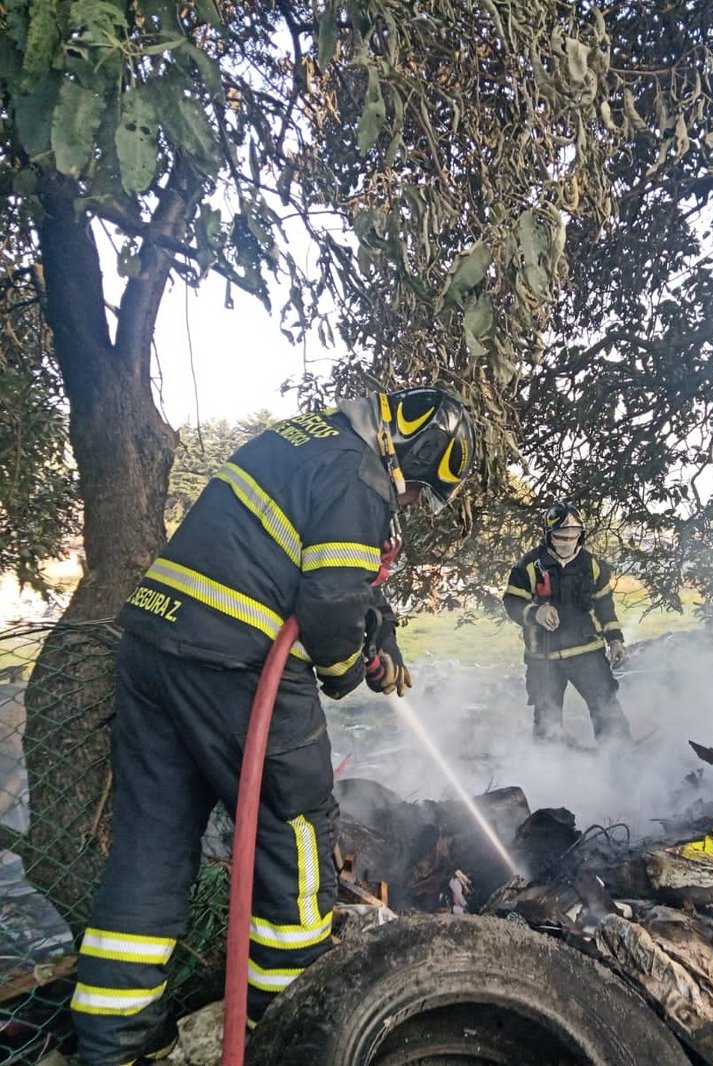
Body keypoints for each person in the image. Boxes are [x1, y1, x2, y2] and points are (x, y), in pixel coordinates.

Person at [71, 388, 475, 1066]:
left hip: (152, 652)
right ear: (412, 453)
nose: (407, 504)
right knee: (296, 832)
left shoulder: (305, 441)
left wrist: (382, 634)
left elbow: (336, 574)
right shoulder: (359, 474)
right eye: (416, 491)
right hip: (237, 662)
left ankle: (117, 1043)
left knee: (152, 844)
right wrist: (349, 670)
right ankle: (289, 1025)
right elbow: (329, 603)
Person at [503, 501, 632, 745]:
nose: (568, 542)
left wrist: (615, 640)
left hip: (588, 653)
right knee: (547, 718)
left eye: (574, 535)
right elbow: (512, 602)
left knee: (605, 706)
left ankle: (619, 754)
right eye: (561, 536)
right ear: (548, 535)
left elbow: (605, 607)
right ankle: (550, 762)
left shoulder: (592, 565)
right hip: (544, 658)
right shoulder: (527, 567)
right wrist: (536, 613)